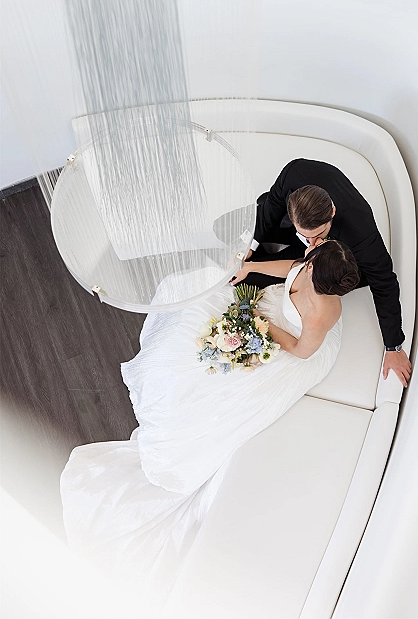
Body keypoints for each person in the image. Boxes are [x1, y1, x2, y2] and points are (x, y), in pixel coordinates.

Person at [60, 240, 359, 594]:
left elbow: (301, 350)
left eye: (309, 261)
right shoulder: (307, 264)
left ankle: (183, 438)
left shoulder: (323, 313)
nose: (305, 260)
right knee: (194, 318)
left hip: (288, 346)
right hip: (267, 316)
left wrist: (259, 324)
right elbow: (290, 269)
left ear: (316, 273)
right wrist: (250, 269)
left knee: (225, 396)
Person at [239, 158, 412, 387]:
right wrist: (250, 247)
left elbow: (385, 282)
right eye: (306, 236)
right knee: (227, 231)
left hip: (329, 258)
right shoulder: (294, 172)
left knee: (247, 279)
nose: (311, 243)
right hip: (292, 235)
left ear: (332, 212)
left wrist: (394, 346)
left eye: (318, 235)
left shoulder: (361, 234)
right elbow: (272, 206)